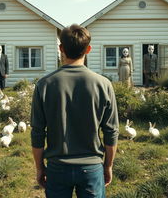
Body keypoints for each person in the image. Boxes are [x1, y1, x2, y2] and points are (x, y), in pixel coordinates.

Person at [31, 24, 119, 198]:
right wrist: (108, 166)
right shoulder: (103, 85)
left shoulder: (44, 85)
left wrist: (40, 168)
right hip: (92, 168)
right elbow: (111, 132)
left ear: (61, 48)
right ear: (88, 49)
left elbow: (37, 133)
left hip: (57, 168)